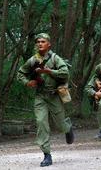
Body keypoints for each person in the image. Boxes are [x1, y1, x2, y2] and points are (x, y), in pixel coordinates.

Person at [17, 33, 74, 167]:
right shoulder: (32, 60)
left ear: (49, 44)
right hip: (40, 96)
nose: (40, 44)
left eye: (43, 41)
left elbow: (65, 73)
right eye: (38, 42)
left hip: (54, 96)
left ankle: (68, 128)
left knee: (60, 124)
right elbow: (21, 73)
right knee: (41, 122)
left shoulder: (55, 58)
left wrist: (49, 72)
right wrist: (27, 82)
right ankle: (47, 155)